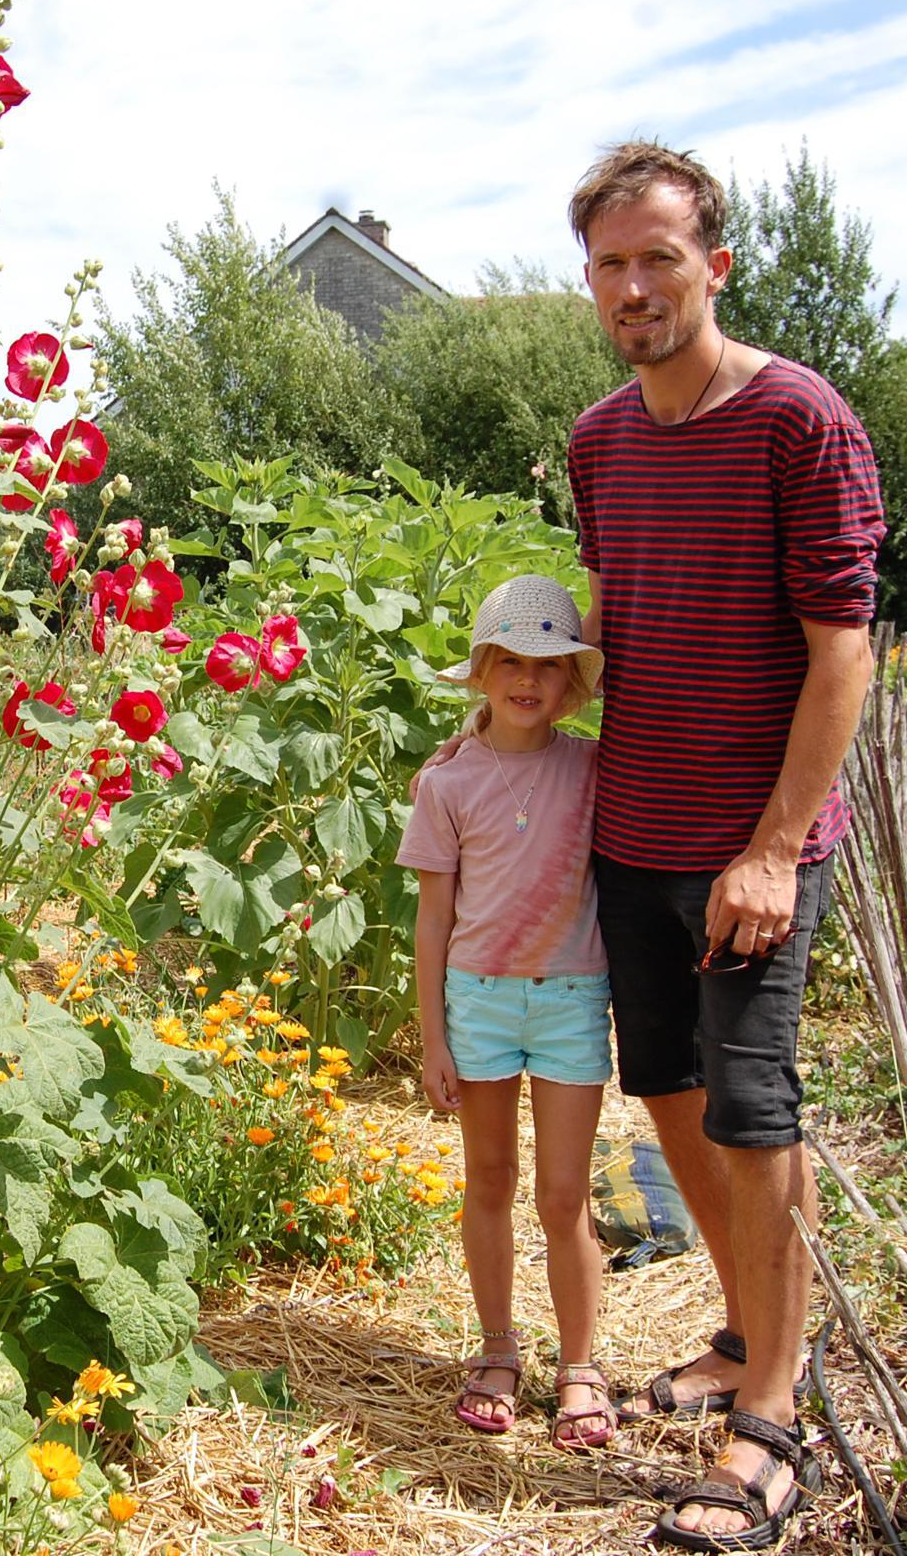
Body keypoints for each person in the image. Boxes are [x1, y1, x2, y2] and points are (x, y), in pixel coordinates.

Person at [566, 141, 884, 1550]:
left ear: (715, 264)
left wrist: (772, 845)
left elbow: (840, 651)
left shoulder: (795, 421)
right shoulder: (597, 439)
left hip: (745, 844)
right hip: (627, 824)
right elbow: (619, 616)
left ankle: (769, 1421)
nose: (633, 286)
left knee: (754, 1113)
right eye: (608, 264)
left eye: (657, 258)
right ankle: (752, 1327)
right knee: (673, 1093)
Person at [397, 573, 617, 1452]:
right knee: (488, 1181)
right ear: (482, 670)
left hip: (570, 998)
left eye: (550, 666)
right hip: (479, 1001)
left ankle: (579, 1363)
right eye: (511, 662)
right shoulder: (445, 782)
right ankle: (496, 1347)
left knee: (564, 1196)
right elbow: (433, 916)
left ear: (571, 685)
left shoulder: (592, 768)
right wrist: (432, 1036)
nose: (529, 681)